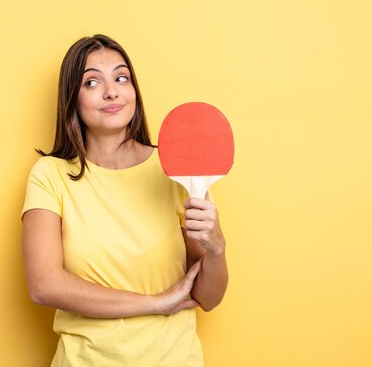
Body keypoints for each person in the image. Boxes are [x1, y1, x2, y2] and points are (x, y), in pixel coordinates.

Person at [21, 34, 228, 366]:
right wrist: (155, 303)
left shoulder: (176, 170)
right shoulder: (50, 175)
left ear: (134, 92)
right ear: (72, 98)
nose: (111, 91)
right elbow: (44, 285)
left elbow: (208, 298)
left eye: (121, 78)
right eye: (92, 82)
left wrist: (217, 248)